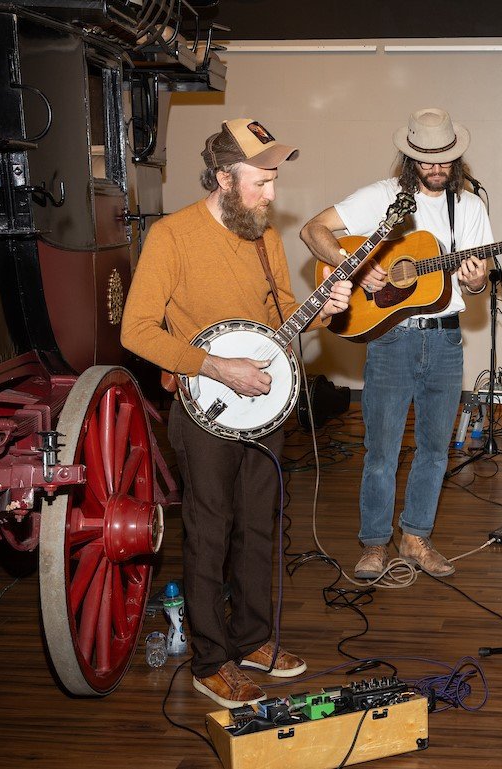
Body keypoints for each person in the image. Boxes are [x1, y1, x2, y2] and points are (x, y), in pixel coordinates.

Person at [121, 118, 353, 708]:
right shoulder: (172, 237)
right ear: (224, 177)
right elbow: (136, 330)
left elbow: (279, 323)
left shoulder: (263, 237)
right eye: (260, 182)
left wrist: (325, 309)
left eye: (274, 181)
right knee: (209, 531)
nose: (272, 194)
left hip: (264, 409)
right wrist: (215, 366)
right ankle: (210, 661)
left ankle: (252, 640)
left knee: (258, 525)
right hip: (204, 407)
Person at [301, 107, 490, 580]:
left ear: (457, 158)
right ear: (410, 158)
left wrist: (476, 280)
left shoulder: (469, 208)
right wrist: (354, 263)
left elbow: (474, 286)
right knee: (382, 450)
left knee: (435, 449)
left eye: (444, 158)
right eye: (426, 158)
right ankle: (373, 543)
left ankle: (416, 537)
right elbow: (312, 229)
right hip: (389, 340)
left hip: (446, 341)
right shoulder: (384, 198)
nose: (436, 167)